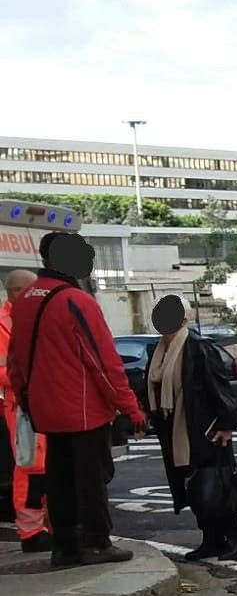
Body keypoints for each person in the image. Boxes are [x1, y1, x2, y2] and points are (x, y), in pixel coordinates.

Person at [8, 233, 145, 567]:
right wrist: (131, 408)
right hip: (83, 408)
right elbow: (103, 360)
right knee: (90, 480)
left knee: (59, 479)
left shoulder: (25, 298)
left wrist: (26, 396)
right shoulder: (75, 300)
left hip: (46, 409)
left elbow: (15, 357)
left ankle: (65, 546)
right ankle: (97, 542)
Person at [147, 296, 237, 561]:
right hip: (174, 428)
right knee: (192, 485)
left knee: (217, 483)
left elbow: (218, 385)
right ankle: (210, 539)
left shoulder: (197, 347)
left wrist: (226, 423)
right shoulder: (157, 351)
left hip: (204, 427)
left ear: (183, 319)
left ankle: (234, 538)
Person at [1, 270, 51, 550]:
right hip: (21, 407)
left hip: (38, 402)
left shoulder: (29, 318)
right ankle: (31, 531)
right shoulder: (4, 324)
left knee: (42, 468)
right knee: (31, 466)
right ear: (18, 291)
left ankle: (44, 526)